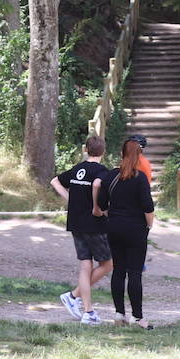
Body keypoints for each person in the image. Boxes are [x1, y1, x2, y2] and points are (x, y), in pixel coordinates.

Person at [52, 135, 113, 326]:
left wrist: (71, 199)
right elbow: (101, 190)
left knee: (86, 266)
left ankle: (86, 309)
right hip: (94, 224)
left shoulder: (77, 169)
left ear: (86, 150)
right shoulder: (103, 172)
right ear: (103, 152)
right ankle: (76, 299)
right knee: (108, 263)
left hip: (76, 223)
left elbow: (55, 181)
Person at [99, 139, 155, 328]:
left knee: (118, 271)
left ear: (121, 154)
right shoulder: (140, 178)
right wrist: (149, 225)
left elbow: (101, 203)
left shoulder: (111, 176)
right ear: (139, 154)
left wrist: (112, 215)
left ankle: (118, 313)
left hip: (114, 227)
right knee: (135, 273)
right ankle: (137, 317)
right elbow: (148, 206)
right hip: (135, 229)